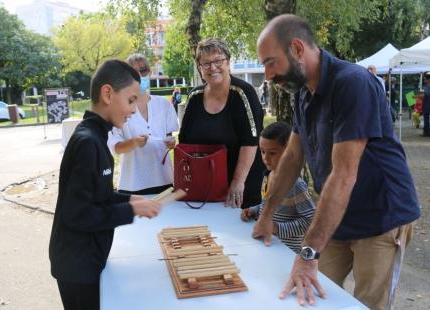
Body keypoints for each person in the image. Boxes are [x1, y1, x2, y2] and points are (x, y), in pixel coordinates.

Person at [254, 14, 420, 309]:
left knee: (368, 305)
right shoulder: (303, 92)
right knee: (303, 294)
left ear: (297, 49)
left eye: (270, 62)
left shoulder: (353, 84)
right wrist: (267, 214)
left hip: (382, 216)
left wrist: (308, 253)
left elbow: (344, 174)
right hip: (338, 214)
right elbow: (292, 156)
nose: (267, 74)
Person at [49, 59, 162, 310]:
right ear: (108, 93)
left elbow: (98, 196)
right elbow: (78, 214)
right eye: (131, 100)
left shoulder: (98, 137)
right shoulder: (87, 142)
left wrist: (130, 199)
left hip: (87, 258)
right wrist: (131, 210)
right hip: (76, 264)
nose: (133, 110)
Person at [178, 38, 265, 209]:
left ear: (228, 62)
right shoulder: (195, 97)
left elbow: (251, 141)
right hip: (204, 184)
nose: (213, 67)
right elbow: (185, 142)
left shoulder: (243, 93)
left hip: (240, 185)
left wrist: (238, 181)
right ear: (199, 68)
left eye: (218, 60)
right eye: (206, 63)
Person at [107, 53, 179, 195]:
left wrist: (171, 143)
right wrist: (133, 143)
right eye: (133, 72)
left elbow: (169, 138)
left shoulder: (164, 105)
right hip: (132, 185)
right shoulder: (117, 108)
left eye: (143, 70)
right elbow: (115, 148)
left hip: (164, 182)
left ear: (150, 73)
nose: (139, 75)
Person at [241, 122, 315, 253]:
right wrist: (254, 211)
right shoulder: (268, 176)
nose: (265, 158)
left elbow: (310, 220)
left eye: (272, 153)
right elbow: (267, 204)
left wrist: (276, 228)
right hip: (267, 248)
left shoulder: (296, 185)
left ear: (288, 152)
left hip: (287, 252)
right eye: (262, 152)